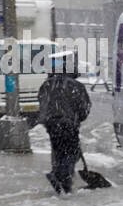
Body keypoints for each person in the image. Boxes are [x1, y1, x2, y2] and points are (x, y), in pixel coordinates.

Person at [36, 53, 91, 194]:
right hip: (68, 124)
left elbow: (42, 104)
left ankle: (62, 180)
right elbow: (84, 107)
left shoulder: (46, 85)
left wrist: (50, 119)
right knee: (72, 153)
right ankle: (61, 177)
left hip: (51, 125)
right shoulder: (76, 86)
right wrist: (77, 119)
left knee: (59, 151)